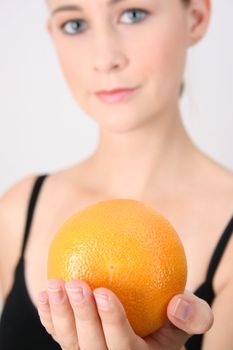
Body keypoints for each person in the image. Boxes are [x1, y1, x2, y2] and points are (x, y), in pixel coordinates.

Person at [0, 0, 232, 349]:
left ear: (196, 18)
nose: (105, 58)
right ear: (52, 34)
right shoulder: (17, 210)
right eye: (75, 24)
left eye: (133, 14)